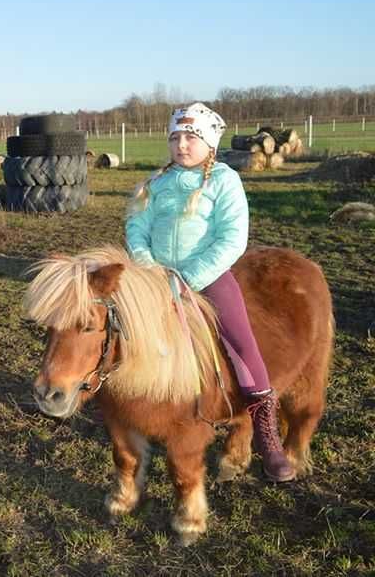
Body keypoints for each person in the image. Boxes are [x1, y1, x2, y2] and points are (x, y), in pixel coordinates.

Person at [125, 102, 295, 482]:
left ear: (210, 143)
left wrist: (189, 278)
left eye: (191, 137)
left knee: (241, 341)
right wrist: (148, 268)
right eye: (175, 137)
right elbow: (137, 227)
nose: (182, 145)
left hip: (209, 277)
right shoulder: (154, 183)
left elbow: (232, 238)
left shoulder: (224, 180)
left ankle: (267, 435)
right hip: (155, 279)